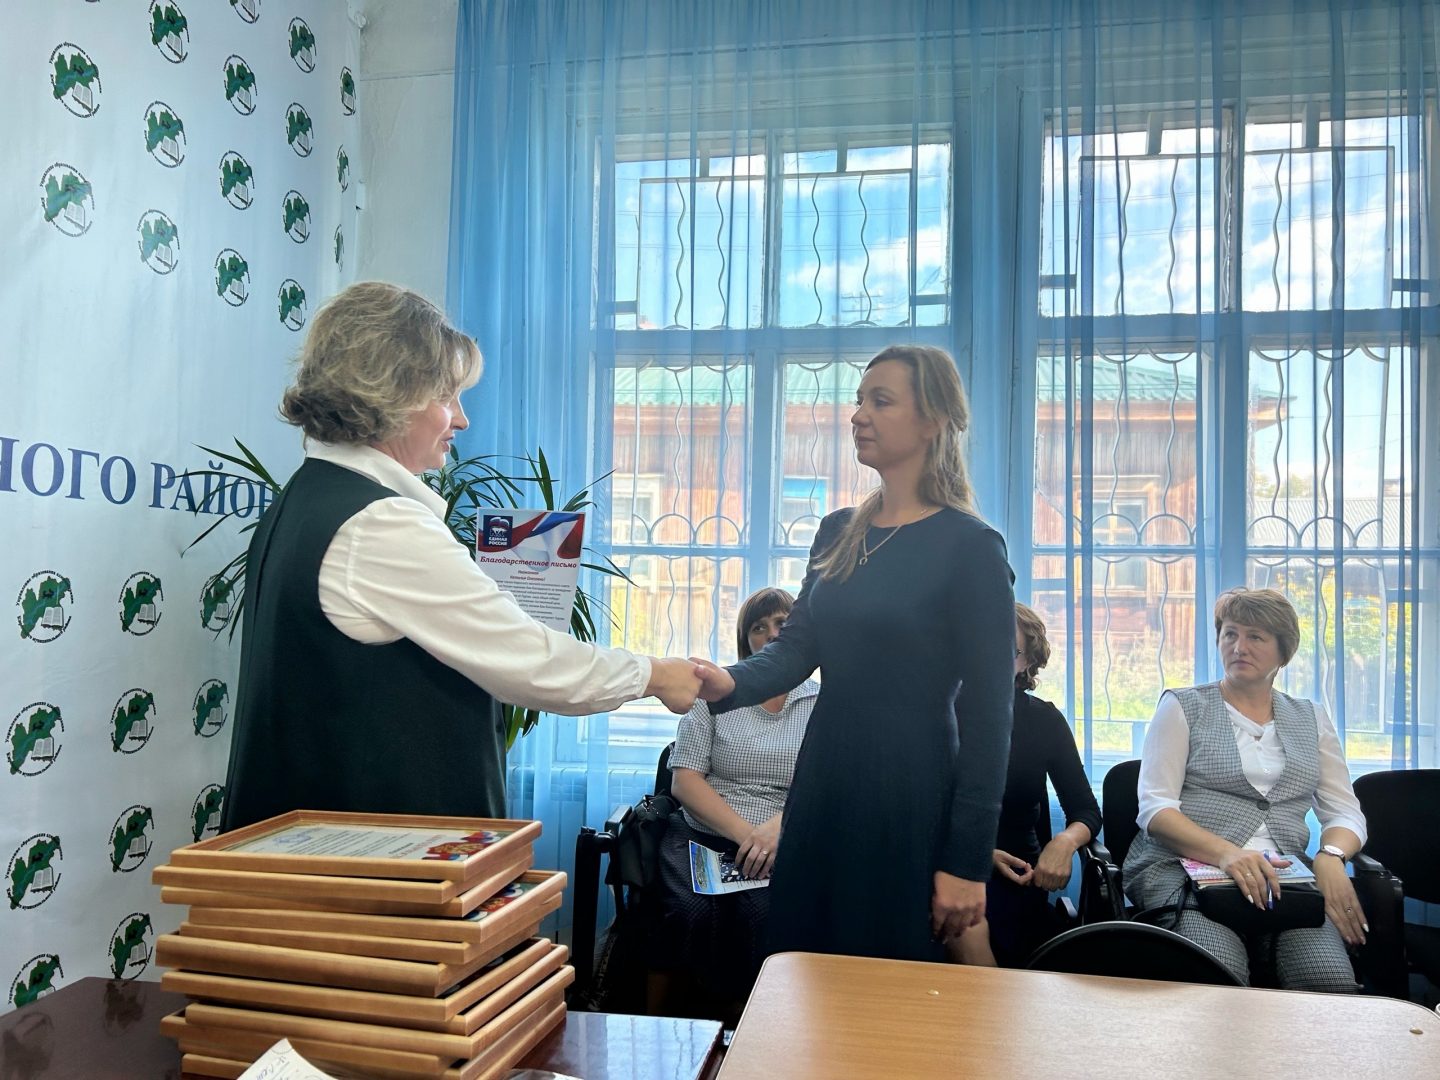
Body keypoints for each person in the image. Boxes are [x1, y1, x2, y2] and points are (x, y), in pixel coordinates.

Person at [222, 282, 702, 830]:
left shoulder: (307, 497)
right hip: (375, 857)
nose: (461, 419)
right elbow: (530, 661)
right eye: (447, 396)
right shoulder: (379, 523)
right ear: (391, 392)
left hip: (307, 847)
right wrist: (655, 675)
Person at [695, 344, 1016, 963]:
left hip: (909, 787)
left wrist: (966, 863)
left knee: (884, 975)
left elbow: (989, 718)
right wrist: (722, 682)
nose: (858, 415)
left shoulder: (971, 546)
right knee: (801, 965)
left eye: (881, 401)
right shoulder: (838, 531)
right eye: (859, 400)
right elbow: (794, 650)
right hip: (823, 779)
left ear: (933, 421)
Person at [1123, 587, 1369, 991]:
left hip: (1285, 878)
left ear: (1283, 651)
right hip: (1186, 869)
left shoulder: (1311, 717)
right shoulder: (1182, 706)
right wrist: (1228, 854)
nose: (1239, 647)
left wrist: (1331, 857)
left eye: (1256, 637)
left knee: (1328, 982)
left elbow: (1344, 812)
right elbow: (1155, 810)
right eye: (1230, 634)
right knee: (1216, 979)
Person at [650, 587, 819, 1012]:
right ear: (747, 641)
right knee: (690, 914)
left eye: (782, 623)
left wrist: (778, 830)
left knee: (762, 917)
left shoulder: (823, 702)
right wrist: (747, 836)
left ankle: (753, 1032)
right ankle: (684, 1031)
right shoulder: (714, 695)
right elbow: (685, 780)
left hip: (784, 838)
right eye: (758, 628)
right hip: (704, 834)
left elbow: (827, 783)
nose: (771, 634)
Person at [950, 602, 1101, 967]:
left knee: (979, 926)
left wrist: (1064, 842)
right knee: (962, 923)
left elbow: (1086, 810)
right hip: (945, 863)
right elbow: (910, 809)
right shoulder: (936, 716)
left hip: (1016, 876)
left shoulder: (1044, 721)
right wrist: (977, 854)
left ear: (1027, 662)